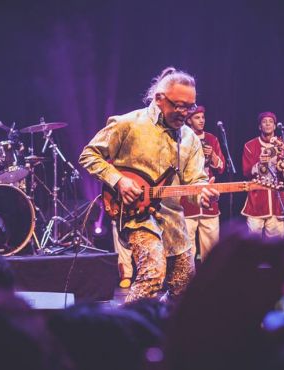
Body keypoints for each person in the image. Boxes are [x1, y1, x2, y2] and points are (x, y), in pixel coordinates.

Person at [79, 67, 219, 303]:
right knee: (152, 272)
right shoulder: (129, 124)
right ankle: (126, 331)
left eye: (190, 106)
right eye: (178, 105)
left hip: (173, 220)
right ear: (159, 99)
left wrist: (202, 195)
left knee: (184, 288)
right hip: (135, 214)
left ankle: (167, 334)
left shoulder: (190, 138)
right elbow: (89, 155)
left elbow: (195, 182)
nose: (184, 112)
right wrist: (119, 180)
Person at [180, 105, 225, 262]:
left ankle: (210, 278)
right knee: (187, 242)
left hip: (208, 193)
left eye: (203, 117)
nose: (201, 121)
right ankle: (187, 280)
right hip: (188, 197)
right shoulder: (181, 137)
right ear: (189, 120)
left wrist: (212, 155)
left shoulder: (212, 138)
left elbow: (221, 167)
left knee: (211, 241)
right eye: (197, 118)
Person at [241, 111, 284, 238]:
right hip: (256, 202)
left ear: (274, 126)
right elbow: (246, 171)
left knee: (276, 247)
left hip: (277, 202)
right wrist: (259, 164)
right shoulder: (250, 146)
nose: (268, 124)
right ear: (259, 126)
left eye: (271, 122)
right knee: (252, 244)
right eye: (264, 122)